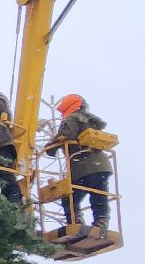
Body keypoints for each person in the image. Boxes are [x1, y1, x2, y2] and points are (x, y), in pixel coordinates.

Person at [46, 94, 112, 229]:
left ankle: (75, 223)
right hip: (102, 166)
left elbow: (65, 135)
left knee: (69, 198)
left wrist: (50, 148)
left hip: (83, 167)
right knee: (99, 196)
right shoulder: (93, 122)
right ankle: (102, 222)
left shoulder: (73, 118)